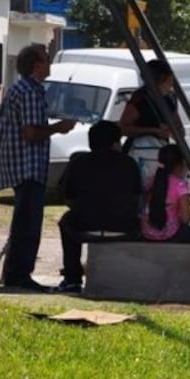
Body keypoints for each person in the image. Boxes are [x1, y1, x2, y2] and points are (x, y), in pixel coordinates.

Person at [0, 44, 76, 291]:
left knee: (24, 222)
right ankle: (19, 274)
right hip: (27, 165)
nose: (50, 64)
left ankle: (14, 272)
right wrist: (57, 128)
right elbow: (30, 133)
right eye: (46, 60)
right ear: (37, 66)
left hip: (23, 164)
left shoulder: (24, 89)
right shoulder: (29, 92)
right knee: (28, 224)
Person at [54, 120, 142, 294]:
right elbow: (137, 197)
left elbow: (67, 196)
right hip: (124, 227)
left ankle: (72, 279)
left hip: (85, 226)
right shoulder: (129, 163)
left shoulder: (78, 162)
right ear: (116, 143)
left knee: (66, 221)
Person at [119, 59, 183, 189]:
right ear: (160, 78)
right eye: (170, 78)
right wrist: (152, 130)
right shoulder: (140, 99)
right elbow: (124, 127)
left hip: (161, 155)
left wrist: (171, 131)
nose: (172, 83)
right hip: (140, 156)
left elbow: (180, 129)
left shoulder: (169, 99)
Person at [140, 143, 190, 243]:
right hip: (170, 235)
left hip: (147, 233)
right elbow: (185, 219)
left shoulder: (151, 181)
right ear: (180, 164)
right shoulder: (180, 185)